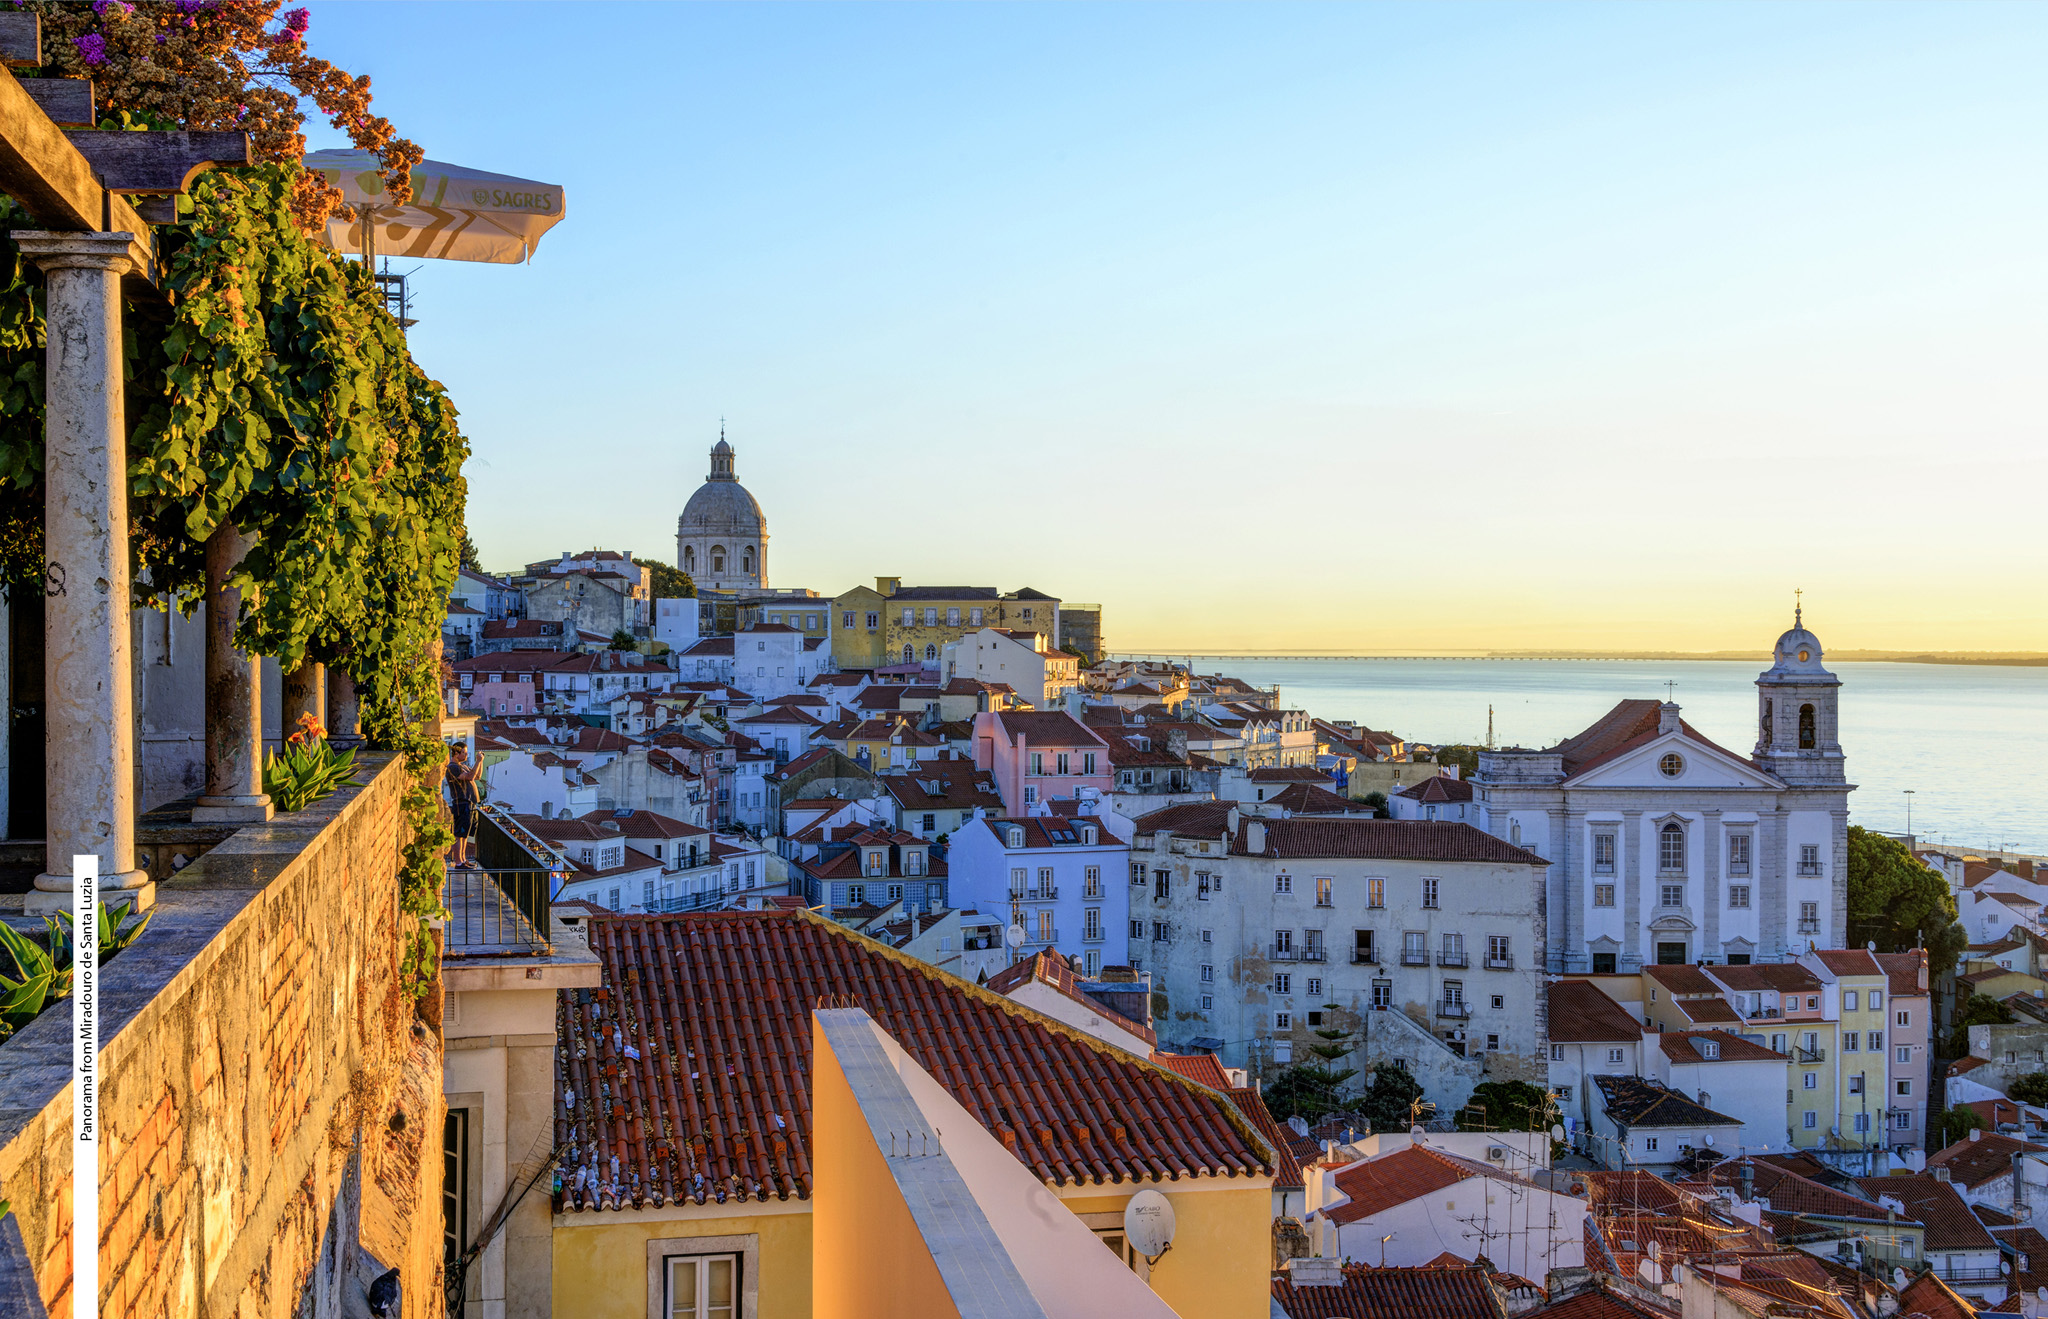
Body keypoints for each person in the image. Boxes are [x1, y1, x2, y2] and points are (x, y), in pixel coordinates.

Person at [447, 741, 480, 869]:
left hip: (469, 803)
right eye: (464, 753)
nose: (466, 755)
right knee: (459, 834)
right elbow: (470, 777)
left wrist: (480, 762)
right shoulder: (453, 767)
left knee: (465, 834)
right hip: (461, 803)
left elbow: (476, 775)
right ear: (456, 753)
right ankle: (459, 862)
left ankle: (463, 859)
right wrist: (477, 760)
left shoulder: (462, 766)